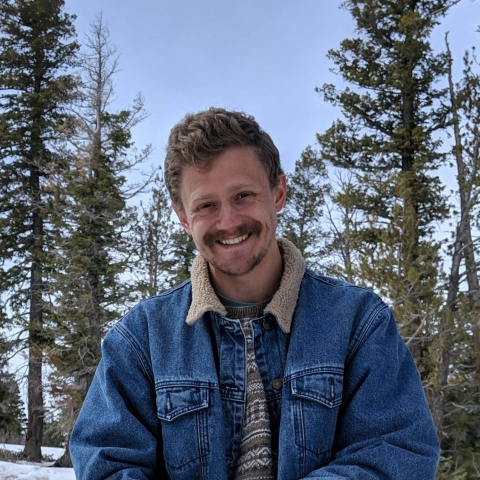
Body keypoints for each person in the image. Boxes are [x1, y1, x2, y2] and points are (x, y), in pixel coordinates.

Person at [70, 107, 440, 480]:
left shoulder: (358, 322)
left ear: (278, 192)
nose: (228, 221)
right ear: (183, 217)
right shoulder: (142, 338)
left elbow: (396, 454)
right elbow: (107, 465)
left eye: (243, 195)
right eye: (206, 205)